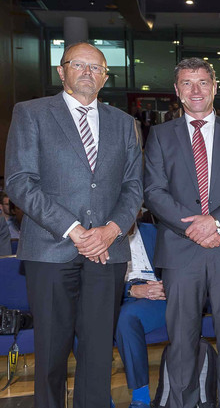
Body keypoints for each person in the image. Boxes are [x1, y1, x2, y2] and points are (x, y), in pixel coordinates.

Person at [5, 41, 143, 408]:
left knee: (98, 355)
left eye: (96, 67)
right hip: (50, 250)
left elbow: (134, 186)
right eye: (78, 64)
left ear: (105, 78)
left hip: (107, 253)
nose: (87, 72)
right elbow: (19, 181)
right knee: (51, 353)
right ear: (61, 71)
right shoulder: (31, 113)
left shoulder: (124, 123)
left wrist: (111, 230)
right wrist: (74, 230)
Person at [143, 57, 220, 408]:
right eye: (187, 83)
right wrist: (194, 228)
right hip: (181, 252)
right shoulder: (160, 135)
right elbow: (154, 192)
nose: (195, 90)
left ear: (214, 87)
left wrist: (216, 222)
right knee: (181, 343)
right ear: (177, 90)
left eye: (202, 82)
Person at [116, 219, 164, 408]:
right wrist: (131, 290)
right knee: (82, 323)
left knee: (126, 318)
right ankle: (99, 397)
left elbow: (178, 264)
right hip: (119, 295)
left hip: (156, 294)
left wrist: (166, 286)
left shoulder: (156, 231)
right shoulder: (101, 235)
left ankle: (140, 398)